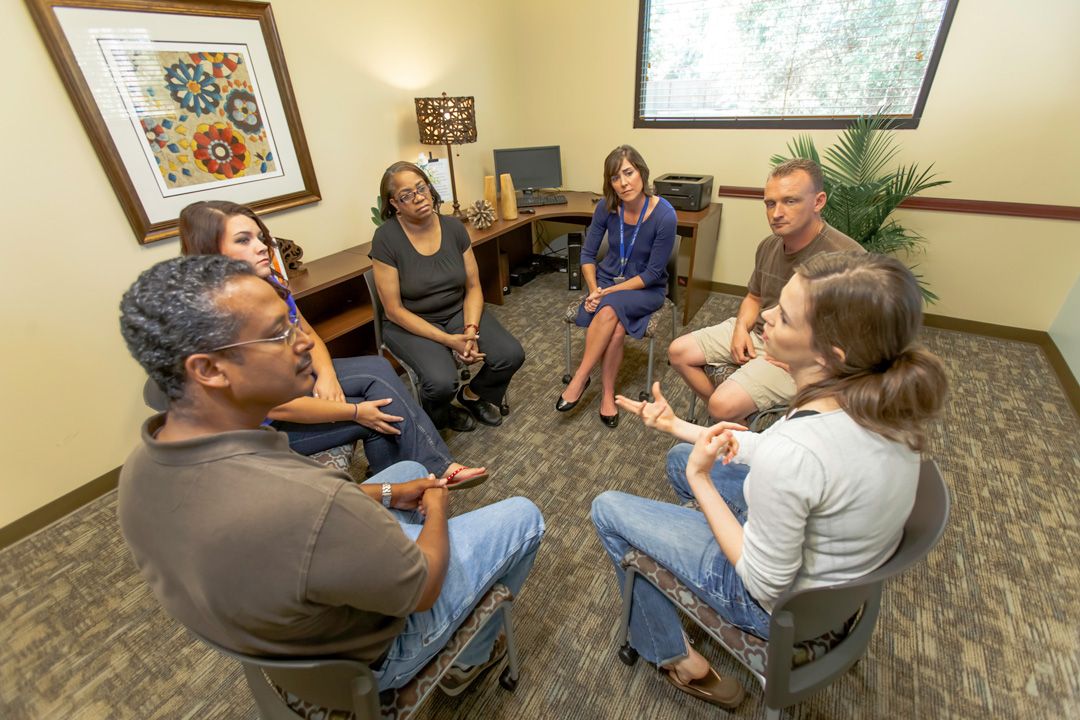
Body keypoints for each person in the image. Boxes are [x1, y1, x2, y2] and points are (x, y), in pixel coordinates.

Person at [117, 255, 545, 696]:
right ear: (208, 369)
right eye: (278, 334)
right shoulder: (306, 498)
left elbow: (307, 522)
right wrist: (437, 508)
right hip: (368, 658)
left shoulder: (141, 468)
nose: (303, 342)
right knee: (523, 515)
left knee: (411, 469)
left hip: (285, 631)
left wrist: (386, 491)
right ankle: (467, 662)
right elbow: (422, 585)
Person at [592, 252, 947, 709]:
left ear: (828, 352)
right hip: (831, 571)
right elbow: (762, 450)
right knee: (680, 456)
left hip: (771, 603)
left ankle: (673, 656)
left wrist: (702, 481)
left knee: (609, 508)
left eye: (786, 316)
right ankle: (680, 530)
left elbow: (762, 583)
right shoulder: (876, 403)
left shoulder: (799, 452)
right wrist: (676, 425)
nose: (765, 316)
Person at [176, 200, 486, 487]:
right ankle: (417, 482)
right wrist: (354, 412)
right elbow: (278, 405)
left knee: (378, 369)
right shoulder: (218, 320)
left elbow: (308, 335)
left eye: (260, 237)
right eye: (243, 240)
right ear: (211, 253)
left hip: (298, 382)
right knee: (377, 416)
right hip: (264, 430)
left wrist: (325, 375)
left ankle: (406, 482)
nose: (261, 247)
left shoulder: (266, 284)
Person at [667, 158, 863, 422]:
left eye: (790, 201)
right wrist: (740, 329)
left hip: (801, 356)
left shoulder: (847, 259)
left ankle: (734, 424)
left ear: (818, 202)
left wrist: (802, 358)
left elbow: (858, 339)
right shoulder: (768, 246)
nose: (776, 213)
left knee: (721, 405)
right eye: (770, 203)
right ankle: (738, 423)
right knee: (678, 352)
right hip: (762, 333)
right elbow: (754, 297)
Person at [370, 162, 525, 431]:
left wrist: (470, 330)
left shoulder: (454, 228)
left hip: (456, 311)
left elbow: (474, 287)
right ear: (395, 203)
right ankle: (439, 415)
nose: (419, 197)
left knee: (510, 355)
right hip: (410, 322)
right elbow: (393, 310)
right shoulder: (386, 238)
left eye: (422, 188)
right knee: (441, 382)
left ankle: (473, 395)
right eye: (407, 195)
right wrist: (450, 341)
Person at [556, 145, 677, 428]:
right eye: (615, 177)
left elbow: (652, 273)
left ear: (642, 173)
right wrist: (594, 287)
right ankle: (607, 394)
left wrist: (605, 294)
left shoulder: (665, 215)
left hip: (646, 289)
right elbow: (587, 255)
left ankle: (579, 379)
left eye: (628, 173)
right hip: (608, 281)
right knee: (617, 325)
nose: (623, 183)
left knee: (609, 308)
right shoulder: (606, 207)